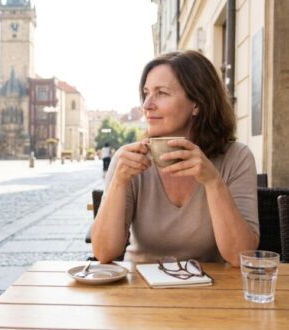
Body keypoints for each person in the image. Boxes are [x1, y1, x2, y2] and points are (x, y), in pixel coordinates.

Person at [91, 50, 259, 267]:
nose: (147, 105)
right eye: (146, 93)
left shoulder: (236, 158)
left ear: (196, 104)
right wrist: (119, 181)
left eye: (161, 93)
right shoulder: (129, 159)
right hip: (141, 291)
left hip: (210, 293)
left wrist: (212, 181)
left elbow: (240, 256)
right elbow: (104, 253)